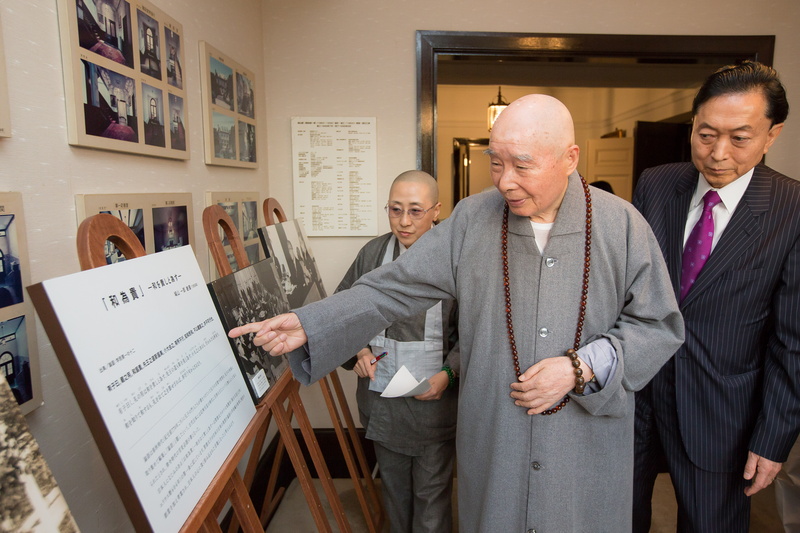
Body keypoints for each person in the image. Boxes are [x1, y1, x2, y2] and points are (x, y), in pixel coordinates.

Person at [230, 94, 684, 532]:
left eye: (522, 165)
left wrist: (580, 367)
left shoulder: (622, 225)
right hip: (496, 436)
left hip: (582, 446)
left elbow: (658, 324)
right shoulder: (473, 220)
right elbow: (394, 286)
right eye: (496, 161)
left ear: (570, 157)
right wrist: (311, 322)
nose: (504, 181)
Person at [632, 61, 800, 532]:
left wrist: (773, 437)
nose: (717, 153)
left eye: (740, 138)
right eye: (706, 135)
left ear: (772, 134)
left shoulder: (791, 210)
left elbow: (793, 341)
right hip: (638, 402)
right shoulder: (656, 184)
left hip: (722, 413)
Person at [338, 170, 459, 533]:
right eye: (395, 210)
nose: (404, 222)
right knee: (393, 491)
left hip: (436, 401)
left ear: (437, 210)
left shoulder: (457, 256)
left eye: (416, 211)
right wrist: (358, 350)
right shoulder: (372, 253)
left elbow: (477, 331)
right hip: (383, 399)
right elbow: (343, 310)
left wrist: (449, 373)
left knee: (432, 496)